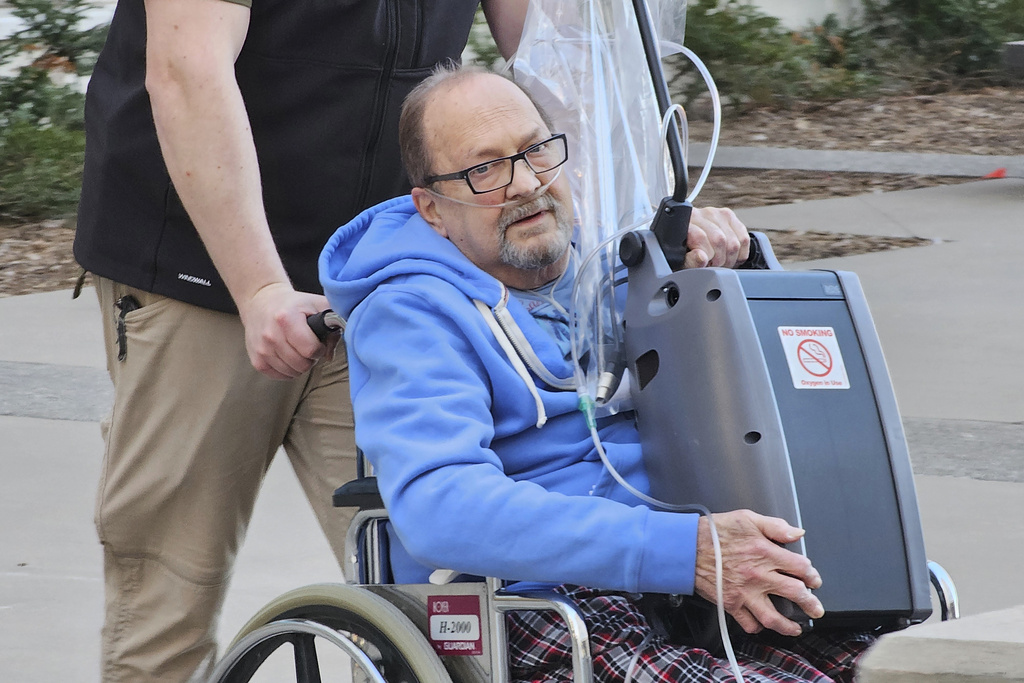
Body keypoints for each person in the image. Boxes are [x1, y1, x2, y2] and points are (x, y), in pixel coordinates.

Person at [319, 65, 876, 683]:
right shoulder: (409, 313)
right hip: (535, 594)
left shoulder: (617, 263)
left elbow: (764, 399)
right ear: (431, 209)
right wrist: (679, 551)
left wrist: (727, 267)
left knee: (902, 667)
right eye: (485, 170)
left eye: (535, 151)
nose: (526, 183)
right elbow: (440, 506)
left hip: (693, 562)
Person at [73, 0, 529, 680]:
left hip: (380, 275)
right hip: (199, 270)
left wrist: (642, 218)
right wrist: (259, 288)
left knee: (447, 597)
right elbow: (186, 66)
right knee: (169, 596)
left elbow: (560, 49)